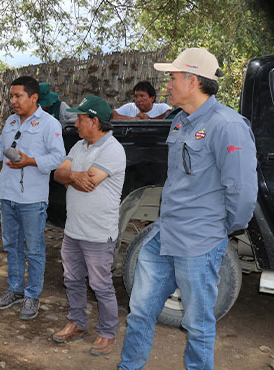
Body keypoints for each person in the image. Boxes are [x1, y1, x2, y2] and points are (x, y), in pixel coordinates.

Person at [118, 48, 258, 369]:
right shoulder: (179, 121)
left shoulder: (228, 126)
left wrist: (219, 232)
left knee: (197, 324)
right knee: (140, 312)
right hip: (163, 237)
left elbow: (242, 192)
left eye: (173, 77)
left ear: (193, 81)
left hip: (199, 244)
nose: (167, 83)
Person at [0, 76, 66, 320]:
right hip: (8, 195)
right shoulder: (11, 122)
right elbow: (1, 153)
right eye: (12, 96)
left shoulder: (49, 124)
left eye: (18, 96)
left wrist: (31, 161)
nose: (13, 101)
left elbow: (59, 158)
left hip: (33, 199)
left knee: (34, 250)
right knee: (12, 246)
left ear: (33, 97)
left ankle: (32, 295)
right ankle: (14, 289)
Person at [52, 95, 125, 356]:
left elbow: (89, 181)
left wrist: (70, 176)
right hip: (74, 230)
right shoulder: (80, 146)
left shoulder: (113, 150)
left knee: (100, 284)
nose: (76, 123)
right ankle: (78, 323)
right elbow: (59, 174)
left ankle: (107, 332)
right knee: (71, 279)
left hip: (97, 232)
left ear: (95, 121)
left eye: (81, 118)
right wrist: (72, 175)